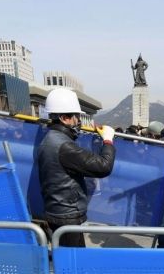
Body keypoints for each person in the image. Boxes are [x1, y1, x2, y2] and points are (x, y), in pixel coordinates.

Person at [37, 88, 115, 247]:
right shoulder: (64, 146)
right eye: (76, 116)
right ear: (64, 118)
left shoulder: (50, 139)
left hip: (58, 212)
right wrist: (108, 141)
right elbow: (103, 166)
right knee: (72, 265)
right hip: (66, 215)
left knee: (68, 261)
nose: (79, 121)